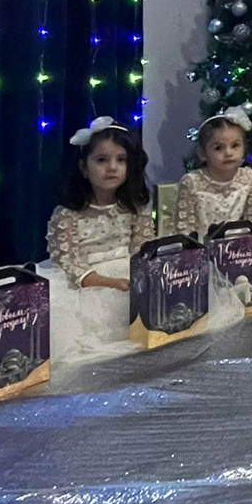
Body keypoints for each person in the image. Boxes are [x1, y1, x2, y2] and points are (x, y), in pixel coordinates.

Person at [43, 120, 159, 367]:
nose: (112, 167)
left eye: (121, 160)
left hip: (128, 276)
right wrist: (109, 283)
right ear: (84, 167)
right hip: (86, 285)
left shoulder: (135, 208)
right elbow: (68, 265)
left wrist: (137, 280)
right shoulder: (67, 215)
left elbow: (142, 251)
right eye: (102, 160)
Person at [175, 108, 252, 238]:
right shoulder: (191, 183)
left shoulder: (250, 178)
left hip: (241, 248)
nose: (228, 153)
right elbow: (185, 230)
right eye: (218, 148)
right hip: (202, 248)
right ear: (202, 153)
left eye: (235, 145)